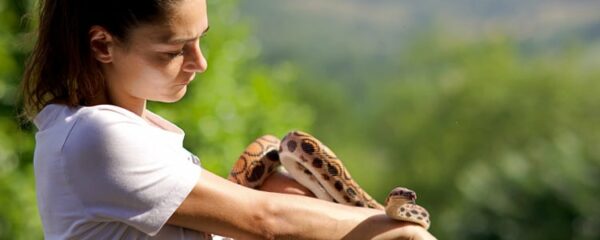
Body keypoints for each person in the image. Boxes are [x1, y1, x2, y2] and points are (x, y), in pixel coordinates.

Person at [21, 0, 437, 239]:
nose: (199, 62)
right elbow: (264, 221)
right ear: (102, 45)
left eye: (201, 39)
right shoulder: (95, 136)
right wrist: (399, 230)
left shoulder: (136, 130)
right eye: (173, 51)